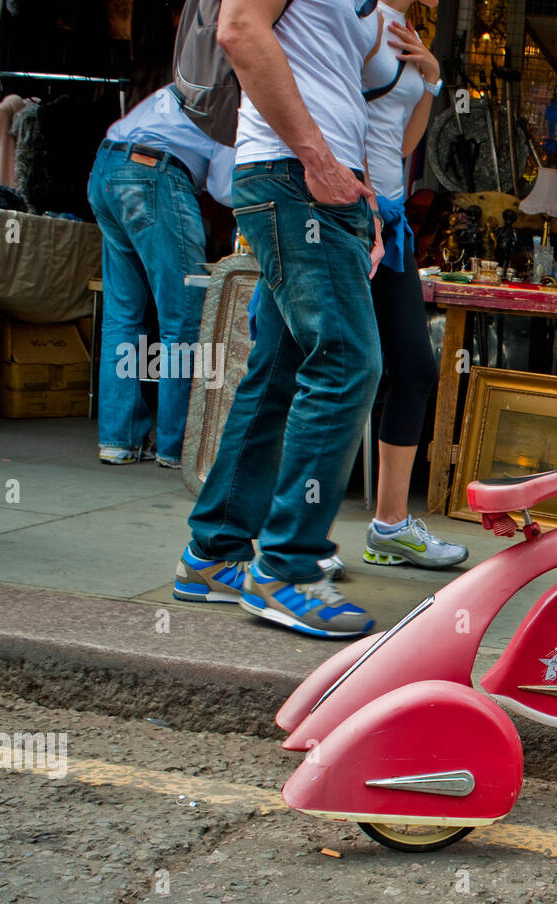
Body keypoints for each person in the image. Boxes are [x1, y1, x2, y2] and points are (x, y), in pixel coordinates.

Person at [173, 0, 384, 639]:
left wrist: (351, 183)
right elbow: (239, 27)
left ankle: (213, 554)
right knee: (347, 362)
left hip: (315, 184)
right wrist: (319, 159)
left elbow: (329, 79)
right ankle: (287, 571)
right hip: (293, 179)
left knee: (276, 375)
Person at [360, 0, 468, 569]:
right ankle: (283, 536)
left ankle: (389, 525)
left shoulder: (404, 32)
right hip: (350, 215)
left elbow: (403, 146)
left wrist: (431, 81)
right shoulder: (356, 17)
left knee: (415, 367)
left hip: (390, 218)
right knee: (331, 368)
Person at [87, 85, 234, 467]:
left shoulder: (192, 81)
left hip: (107, 167)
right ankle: (178, 446)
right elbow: (224, 186)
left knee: (123, 316)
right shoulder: (237, 99)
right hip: (154, 173)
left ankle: (118, 441)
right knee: (183, 318)